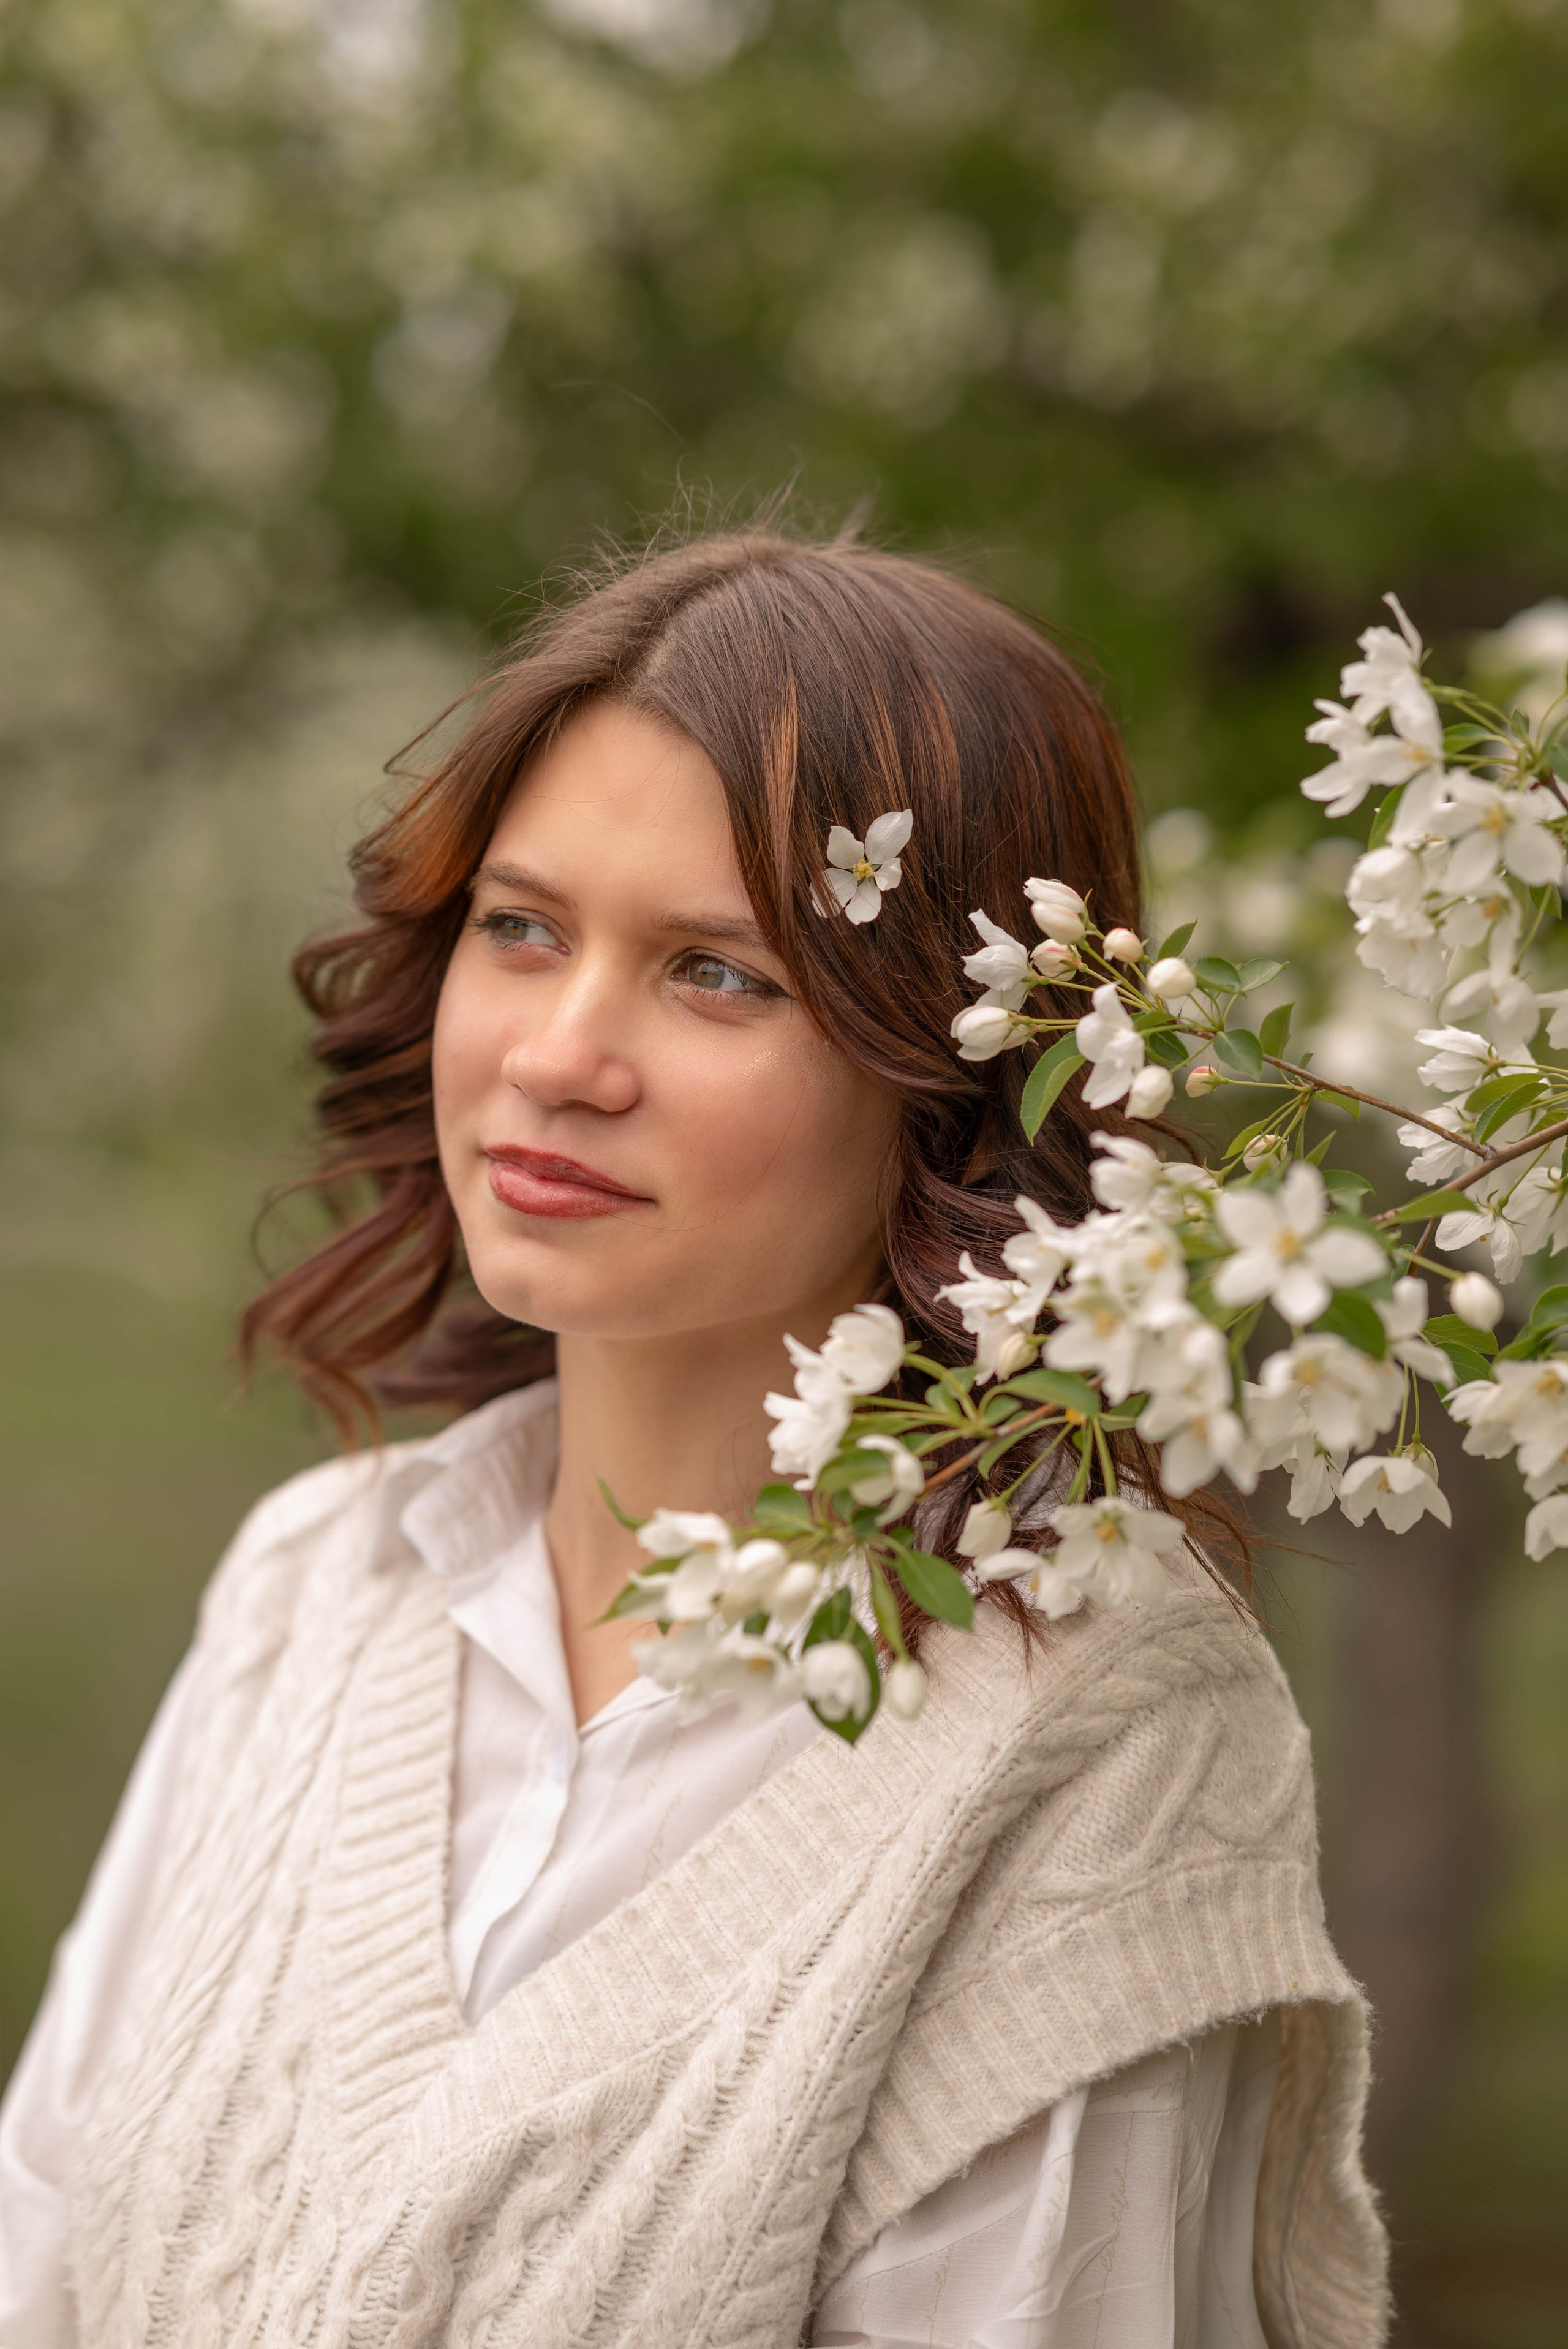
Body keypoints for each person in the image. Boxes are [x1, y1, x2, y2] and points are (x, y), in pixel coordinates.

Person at [0, 528, 1387, 2348]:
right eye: (521, 928)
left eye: (718, 972)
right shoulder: (314, 1588)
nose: (558, 1055)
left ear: (957, 1071)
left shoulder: (1096, 1749)